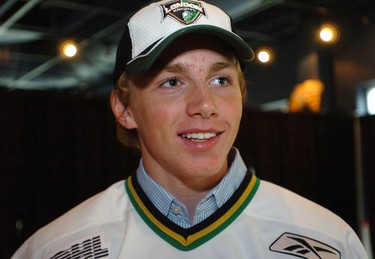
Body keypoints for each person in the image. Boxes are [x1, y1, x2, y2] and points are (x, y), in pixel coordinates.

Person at [13, 0, 368, 258]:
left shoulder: (328, 241)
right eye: (171, 81)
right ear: (124, 108)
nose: (205, 105)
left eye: (220, 79)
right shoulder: (55, 249)